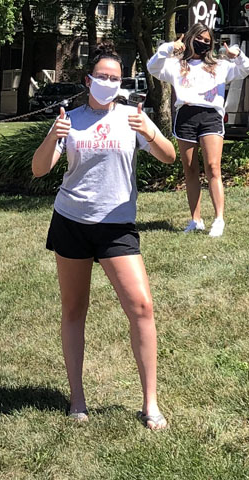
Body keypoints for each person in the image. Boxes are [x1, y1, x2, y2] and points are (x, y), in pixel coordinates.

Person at [32, 44, 178, 429]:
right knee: (74, 309)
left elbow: (169, 156)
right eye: (103, 77)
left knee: (142, 307)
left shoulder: (133, 118)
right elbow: (39, 169)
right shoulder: (70, 119)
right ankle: (77, 400)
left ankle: (150, 403)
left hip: (117, 228)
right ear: (88, 80)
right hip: (72, 222)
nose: (109, 83)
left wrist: (150, 131)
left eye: (116, 78)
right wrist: (53, 137)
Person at [146, 23, 249, 237]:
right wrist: (169, 47)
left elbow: (246, 69)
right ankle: (195, 220)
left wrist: (237, 53)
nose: (203, 43)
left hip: (211, 116)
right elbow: (153, 67)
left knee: (213, 167)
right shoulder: (176, 65)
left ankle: (219, 219)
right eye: (199, 39)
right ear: (189, 39)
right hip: (185, 116)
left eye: (207, 41)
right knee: (190, 169)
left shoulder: (221, 65)